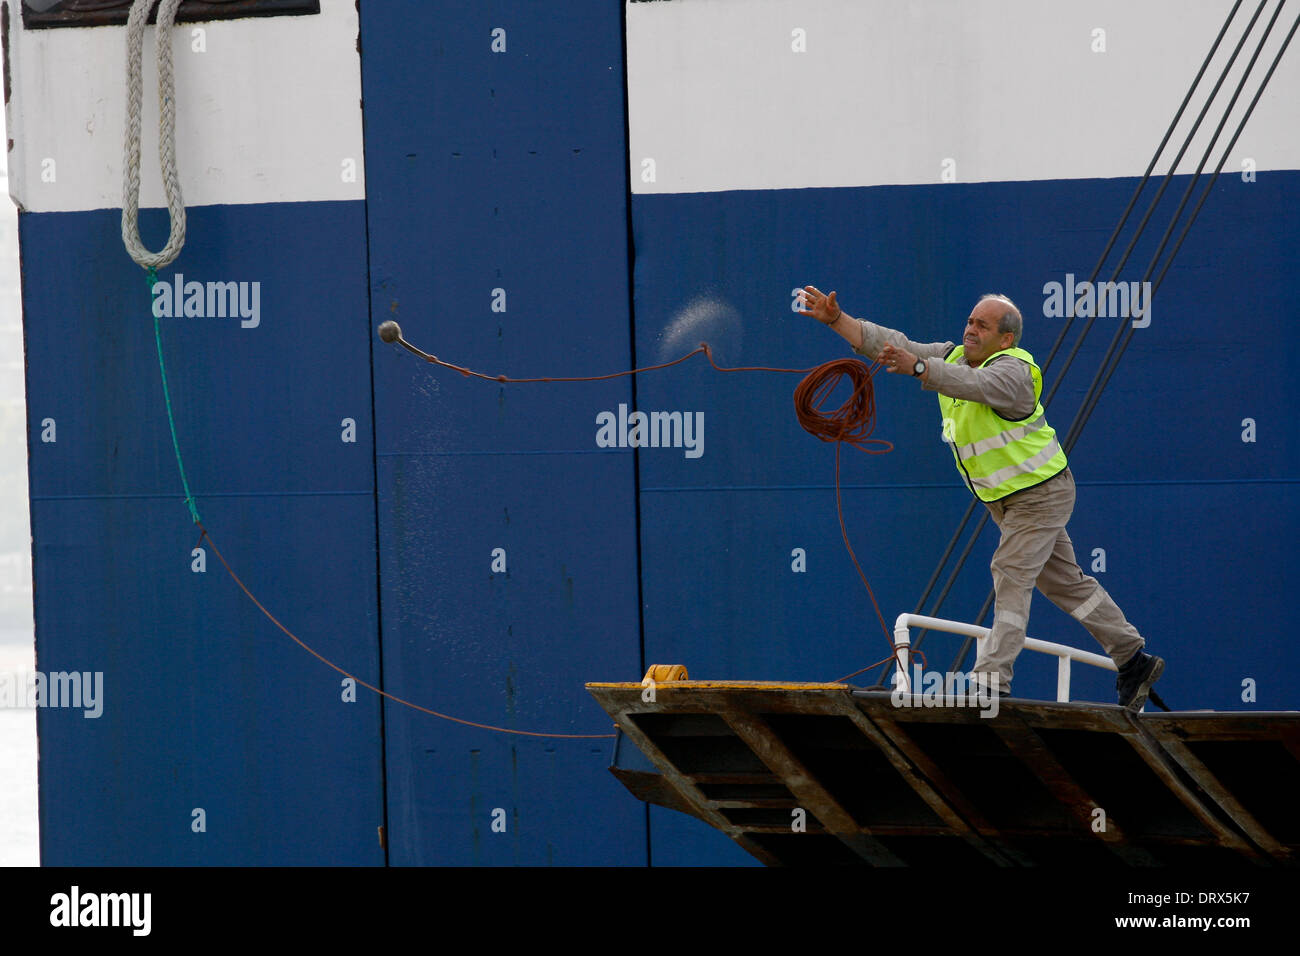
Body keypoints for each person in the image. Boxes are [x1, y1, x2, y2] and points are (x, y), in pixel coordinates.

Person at [798, 286, 1163, 710]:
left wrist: (918, 367)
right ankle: (1133, 658)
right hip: (1006, 501)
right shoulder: (953, 357)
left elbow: (975, 384)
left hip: (1040, 496)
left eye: (982, 326)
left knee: (1009, 571)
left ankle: (991, 684)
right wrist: (836, 321)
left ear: (1006, 339)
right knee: (1064, 583)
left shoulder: (1015, 373)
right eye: (970, 321)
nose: (970, 330)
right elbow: (891, 343)